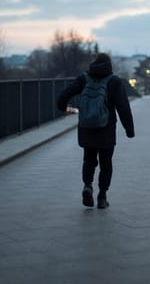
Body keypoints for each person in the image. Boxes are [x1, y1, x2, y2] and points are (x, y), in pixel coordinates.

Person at [57, 53, 135, 209]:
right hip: (106, 129)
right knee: (106, 164)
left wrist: (63, 107)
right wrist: (129, 129)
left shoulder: (84, 78)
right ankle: (102, 196)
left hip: (87, 129)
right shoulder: (114, 82)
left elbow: (64, 95)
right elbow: (123, 108)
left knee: (89, 160)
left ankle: (87, 185)